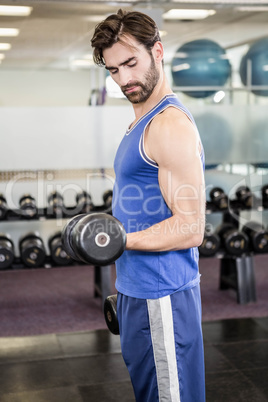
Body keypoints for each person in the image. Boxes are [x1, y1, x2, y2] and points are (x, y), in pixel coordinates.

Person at [91, 9, 206, 402]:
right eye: (113, 70)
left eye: (131, 63)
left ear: (157, 51)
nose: (124, 79)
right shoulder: (140, 122)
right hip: (138, 291)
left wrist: (118, 239)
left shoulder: (168, 125)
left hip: (162, 296)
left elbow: (191, 227)